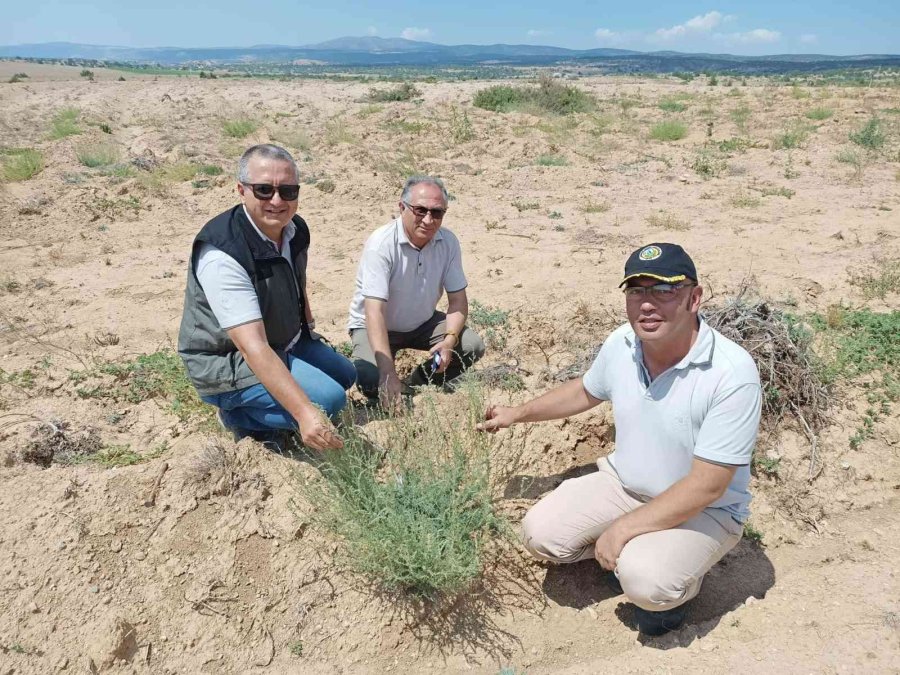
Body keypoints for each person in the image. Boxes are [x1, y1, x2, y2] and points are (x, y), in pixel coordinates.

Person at [479, 243, 762, 636]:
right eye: (636, 291)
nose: (647, 304)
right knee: (539, 534)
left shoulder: (731, 373)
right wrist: (519, 413)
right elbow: (586, 390)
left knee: (648, 581)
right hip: (625, 484)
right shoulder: (623, 344)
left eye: (664, 291)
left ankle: (676, 589)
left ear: (694, 298)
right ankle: (626, 555)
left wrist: (623, 529)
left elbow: (708, 485)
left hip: (706, 510)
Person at [178, 144, 355, 451]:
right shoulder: (223, 253)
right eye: (263, 190)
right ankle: (237, 415)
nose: (277, 201)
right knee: (328, 401)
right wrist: (305, 414)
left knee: (346, 375)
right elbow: (251, 346)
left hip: (282, 341)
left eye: (287, 191)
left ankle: (275, 402)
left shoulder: (294, 229)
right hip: (225, 359)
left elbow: (296, 281)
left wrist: (308, 330)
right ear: (241, 190)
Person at [347, 176, 485, 409]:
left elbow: (458, 302)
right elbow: (374, 312)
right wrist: (387, 372)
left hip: (422, 323)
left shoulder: (448, 242)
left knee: (471, 346)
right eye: (420, 210)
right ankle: (391, 383)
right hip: (374, 326)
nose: (428, 220)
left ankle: (417, 384)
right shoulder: (381, 244)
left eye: (437, 212)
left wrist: (449, 341)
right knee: (370, 378)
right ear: (402, 208)